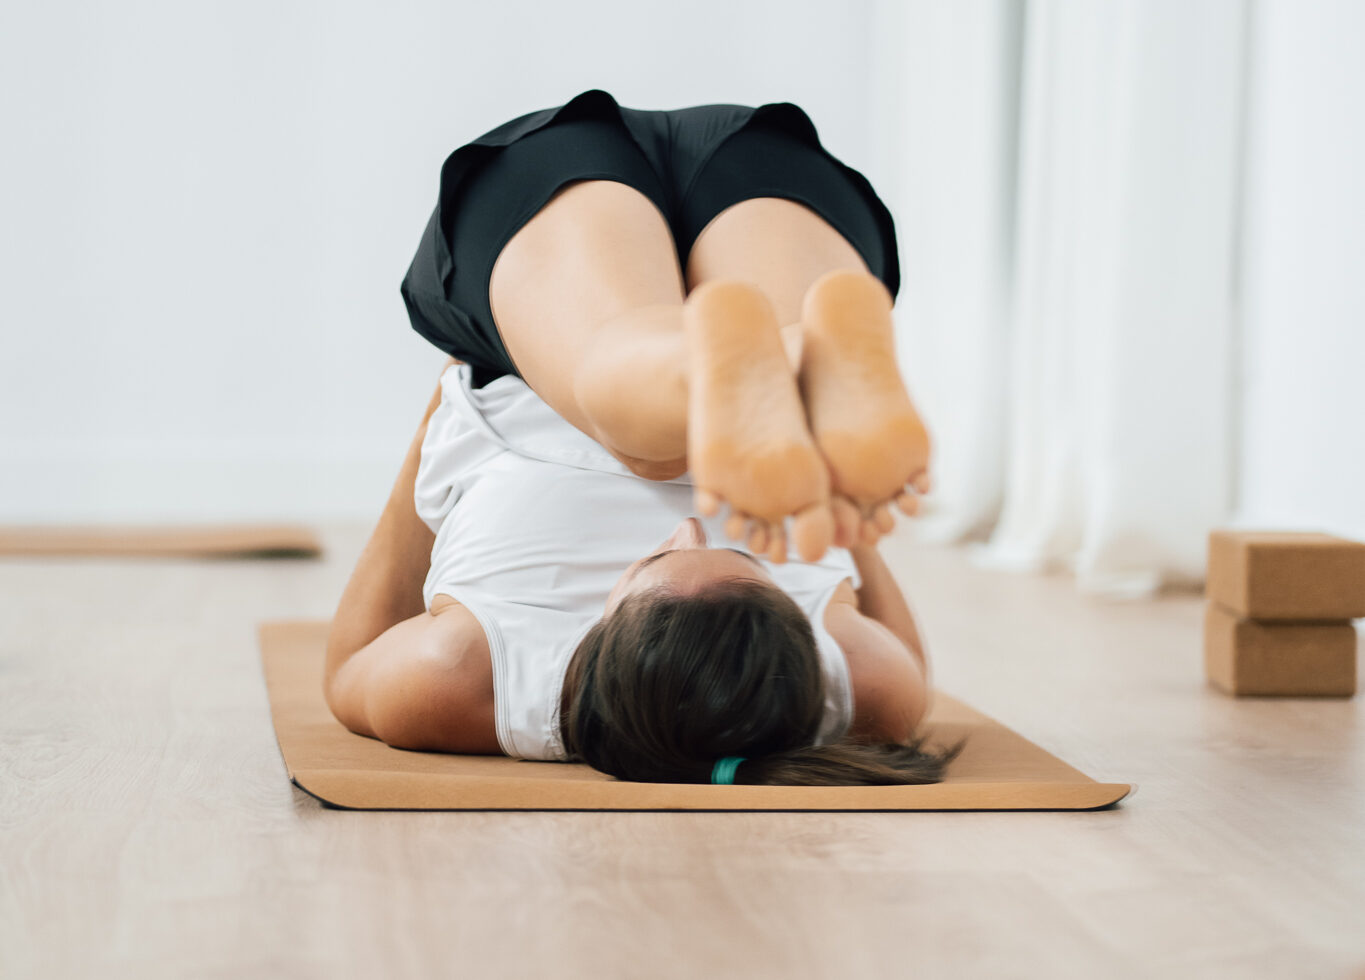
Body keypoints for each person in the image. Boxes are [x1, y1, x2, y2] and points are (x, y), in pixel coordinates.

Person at [323, 90, 965, 785]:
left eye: (654, 561)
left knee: (644, 428)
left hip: (761, 174)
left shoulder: (862, 689)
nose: (688, 528)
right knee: (614, 374)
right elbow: (349, 667)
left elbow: (350, 665)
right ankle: (716, 372)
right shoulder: (461, 679)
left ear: (593, 654)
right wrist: (451, 411)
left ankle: (766, 357)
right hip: (555, 214)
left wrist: (830, 498)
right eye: (743, 559)